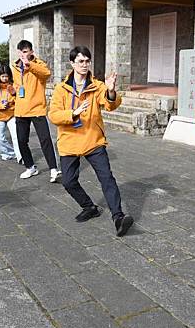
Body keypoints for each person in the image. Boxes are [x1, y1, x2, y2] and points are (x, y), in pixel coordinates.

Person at [49, 46, 134, 236]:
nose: (85, 64)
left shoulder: (97, 86)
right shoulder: (61, 89)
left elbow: (110, 104)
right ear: (72, 63)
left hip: (93, 140)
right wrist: (73, 113)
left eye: (87, 61)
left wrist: (111, 90)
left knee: (107, 178)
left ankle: (118, 217)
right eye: (81, 61)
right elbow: (53, 115)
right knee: (69, 182)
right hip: (69, 142)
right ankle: (89, 207)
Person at [12, 40, 61, 182]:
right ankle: (30, 167)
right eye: (22, 52)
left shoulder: (39, 64)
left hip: (37, 108)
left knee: (45, 139)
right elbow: (16, 84)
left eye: (27, 51)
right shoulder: (15, 67)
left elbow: (46, 74)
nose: (24, 55)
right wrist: (14, 89)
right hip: (21, 109)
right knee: (21, 140)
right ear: (18, 52)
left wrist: (30, 65)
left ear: (32, 52)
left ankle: (53, 169)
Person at [0, 65, 22, 162]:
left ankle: (21, 156)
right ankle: (8, 153)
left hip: (12, 114)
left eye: (6, 76)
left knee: (16, 136)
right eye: (2, 76)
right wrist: (0, 106)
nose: (5, 78)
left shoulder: (13, 85)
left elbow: (19, 99)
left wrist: (14, 94)